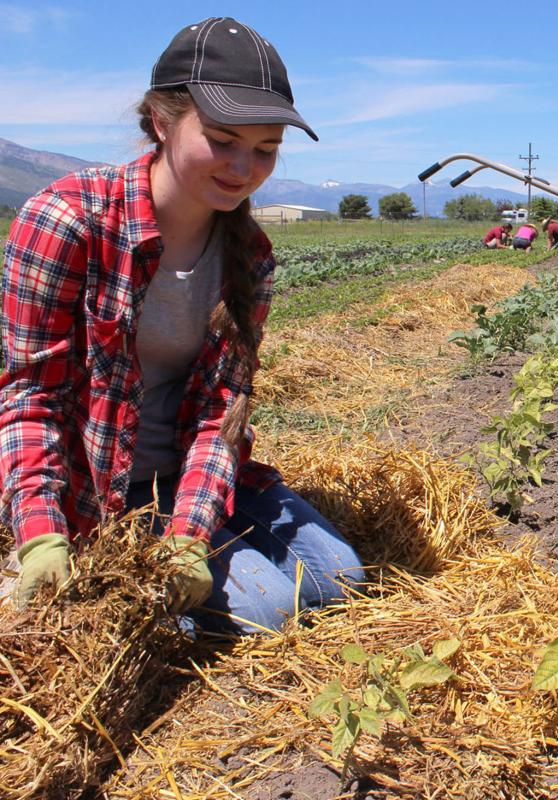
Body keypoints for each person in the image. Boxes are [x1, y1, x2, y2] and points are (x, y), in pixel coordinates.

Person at [1, 17, 364, 634]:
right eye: (222, 139)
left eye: (266, 149)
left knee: (337, 576)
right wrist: (40, 534)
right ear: (162, 119)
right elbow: (30, 397)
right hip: (95, 488)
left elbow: (221, 414)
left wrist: (191, 536)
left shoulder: (248, 254)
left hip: (183, 478)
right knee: (271, 609)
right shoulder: (67, 221)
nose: (243, 167)